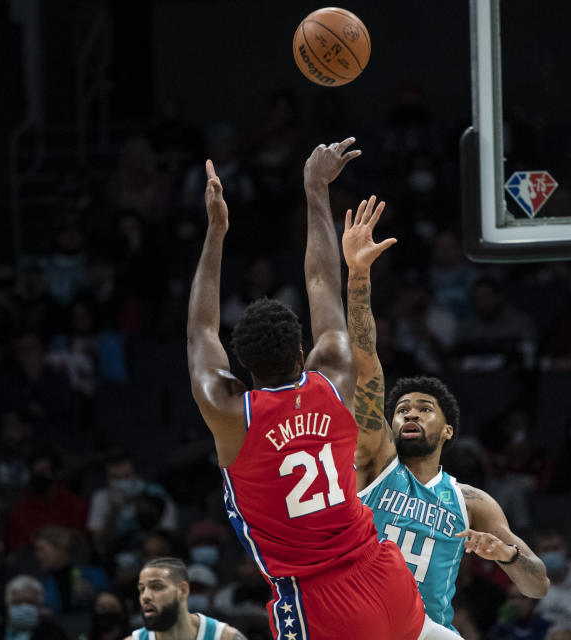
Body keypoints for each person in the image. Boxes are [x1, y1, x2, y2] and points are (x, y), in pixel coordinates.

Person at [186, 139, 454, 639]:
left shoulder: (230, 413)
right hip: (385, 574)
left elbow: (201, 332)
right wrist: (315, 190)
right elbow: (320, 283)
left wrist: (216, 234)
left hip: (320, 600)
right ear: (300, 351)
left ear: (240, 365)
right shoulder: (332, 376)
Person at [342, 198, 550, 632]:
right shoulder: (376, 463)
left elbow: (537, 586)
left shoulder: (470, 502)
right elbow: (366, 366)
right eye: (400, 410)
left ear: (449, 429)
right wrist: (359, 277)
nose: (410, 415)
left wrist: (508, 556)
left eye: (424, 409)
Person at [127, 557, 244, 640]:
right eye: (142, 589)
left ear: (183, 590)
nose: (146, 596)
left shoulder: (226, 637)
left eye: (157, 587)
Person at [0, 574, 69, 640]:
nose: (24, 607)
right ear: (7, 606)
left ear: (40, 607)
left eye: (30, 602)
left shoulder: (54, 635)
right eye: (17, 602)